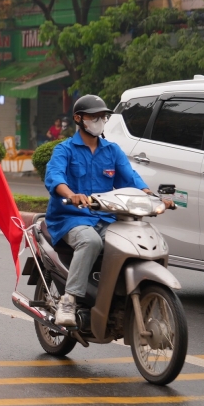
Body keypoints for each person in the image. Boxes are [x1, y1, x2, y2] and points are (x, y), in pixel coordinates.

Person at [44, 94, 174, 327]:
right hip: (71, 218)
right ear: (79, 118)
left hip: (105, 217)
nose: (99, 120)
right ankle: (70, 299)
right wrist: (71, 195)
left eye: (102, 116)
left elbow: (132, 180)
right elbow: (55, 178)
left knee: (130, 242)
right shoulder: (64, 150)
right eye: (94, 116)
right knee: (91, 242)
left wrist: (155, 198)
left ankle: (113, 293)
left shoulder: (112, 151)